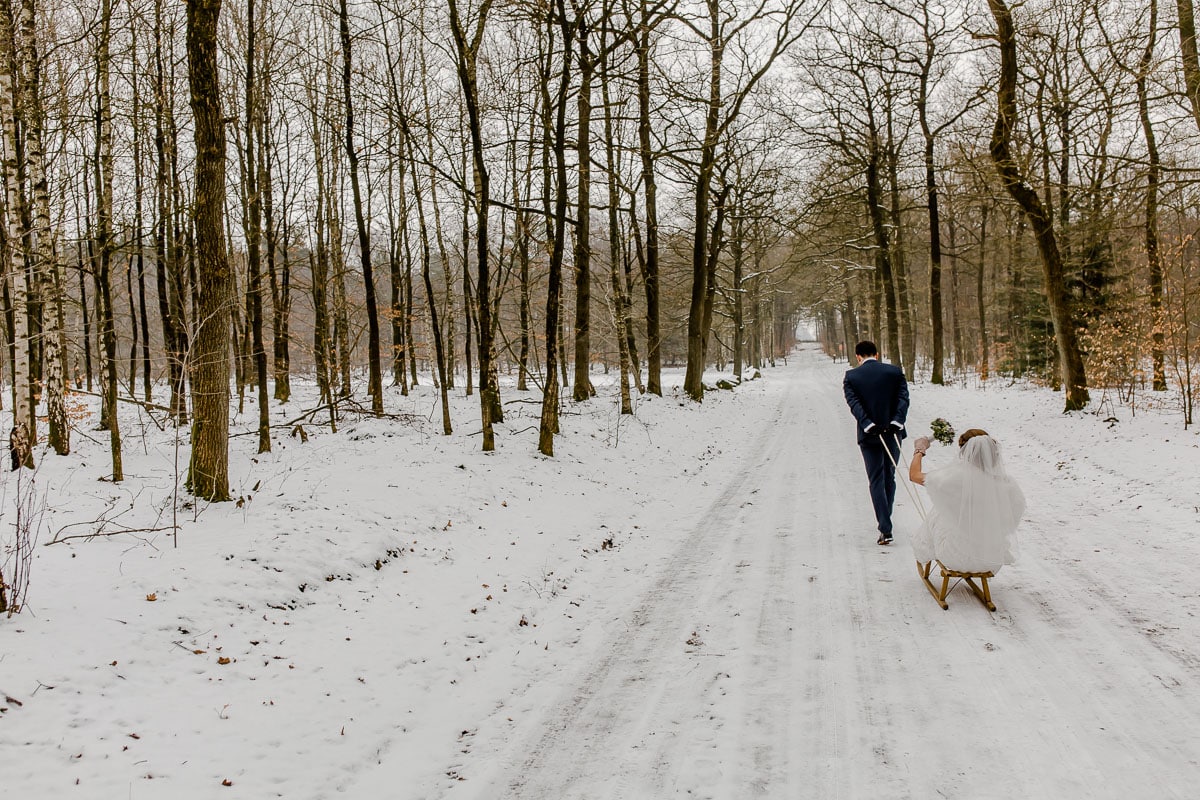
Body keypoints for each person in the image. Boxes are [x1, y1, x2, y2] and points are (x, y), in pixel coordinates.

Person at [908, 429, 1026, 573]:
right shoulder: (1008, 483)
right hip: (993, 559)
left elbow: (914, 475)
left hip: (956, 556)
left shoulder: (955, 479)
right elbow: (1013, 520)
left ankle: (927, 550)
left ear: (965, 452)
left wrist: (920, 450)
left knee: (939, 512)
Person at [843, 341, 909, 545]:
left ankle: (885, 526)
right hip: (893, 432)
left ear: (858, 356)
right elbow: (903, 398)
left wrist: (867, 423)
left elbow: (854, 403)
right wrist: (897, 421)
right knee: (889, 475)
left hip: (869, 435)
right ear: (877, 354)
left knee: (876, 480)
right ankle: (885, 522)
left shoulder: (852, 376)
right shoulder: (894, 372)